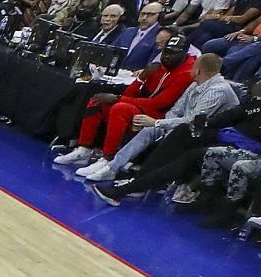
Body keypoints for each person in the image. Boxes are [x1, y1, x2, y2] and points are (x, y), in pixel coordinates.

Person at [74, 50, 238, 179]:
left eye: (194, 65)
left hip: (205, 134)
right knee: (149, 130)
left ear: (199, 70)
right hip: (183, 127)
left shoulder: (218, 90)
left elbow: (193, 120)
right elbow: (177, 110)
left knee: (153, 126)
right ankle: (111, 166)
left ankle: (139, 178)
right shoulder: (197, 83)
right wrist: (158, 125)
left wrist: (157, 123)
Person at [54, 39, 197, 166]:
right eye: (165, 52)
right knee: (98, 100)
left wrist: (117, 98)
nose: (167, 56)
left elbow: (159, 103)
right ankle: (84, 149)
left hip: (162, 114)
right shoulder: (159, 66)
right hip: (144, 106)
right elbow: (129, 93)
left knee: (121, 108)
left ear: (184, 53)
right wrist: (141, 78)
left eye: (173, 53)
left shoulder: (187, 73)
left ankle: (108, 158)